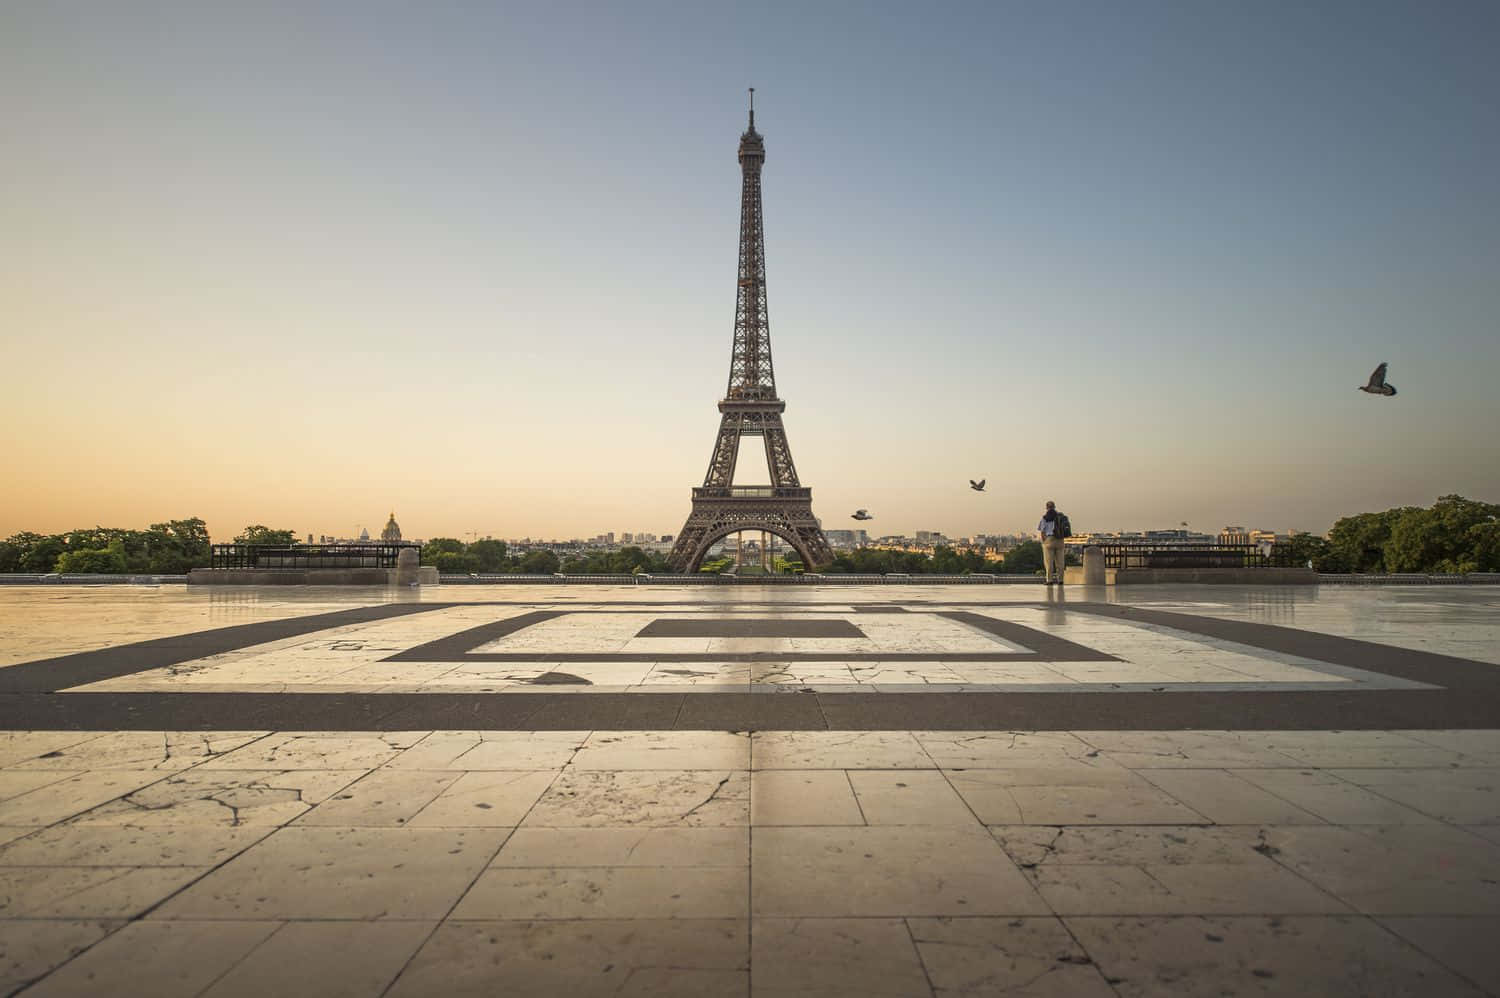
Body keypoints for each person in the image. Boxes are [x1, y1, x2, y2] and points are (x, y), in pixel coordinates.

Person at [1038, 500, 1067, 585]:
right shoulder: (1060, 517)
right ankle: (1060, 580)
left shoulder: (1045, 518)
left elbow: (1042, 532)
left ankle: (1049, 580)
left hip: (1049, 539)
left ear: (1047, 508)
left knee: (1049, 562)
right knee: (1060, 562)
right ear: (1054, 507)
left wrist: (1044, 542)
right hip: (1060, 539)